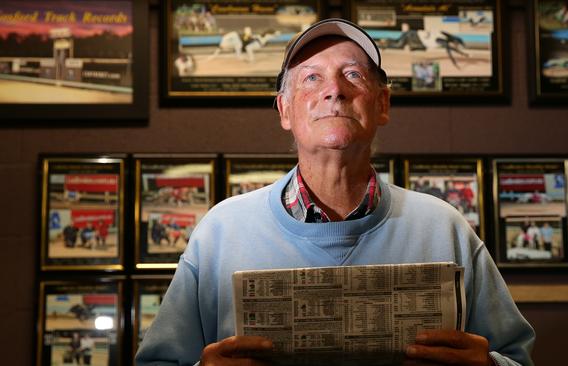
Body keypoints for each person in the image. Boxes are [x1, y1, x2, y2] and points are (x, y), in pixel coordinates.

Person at [135, 18, 534, 366]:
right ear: (285, 111)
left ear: (382, 104)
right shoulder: (220, 231)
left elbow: (517, 359)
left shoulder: (444, 227)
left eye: (353, 75)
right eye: (312, 77)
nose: (335, 91)